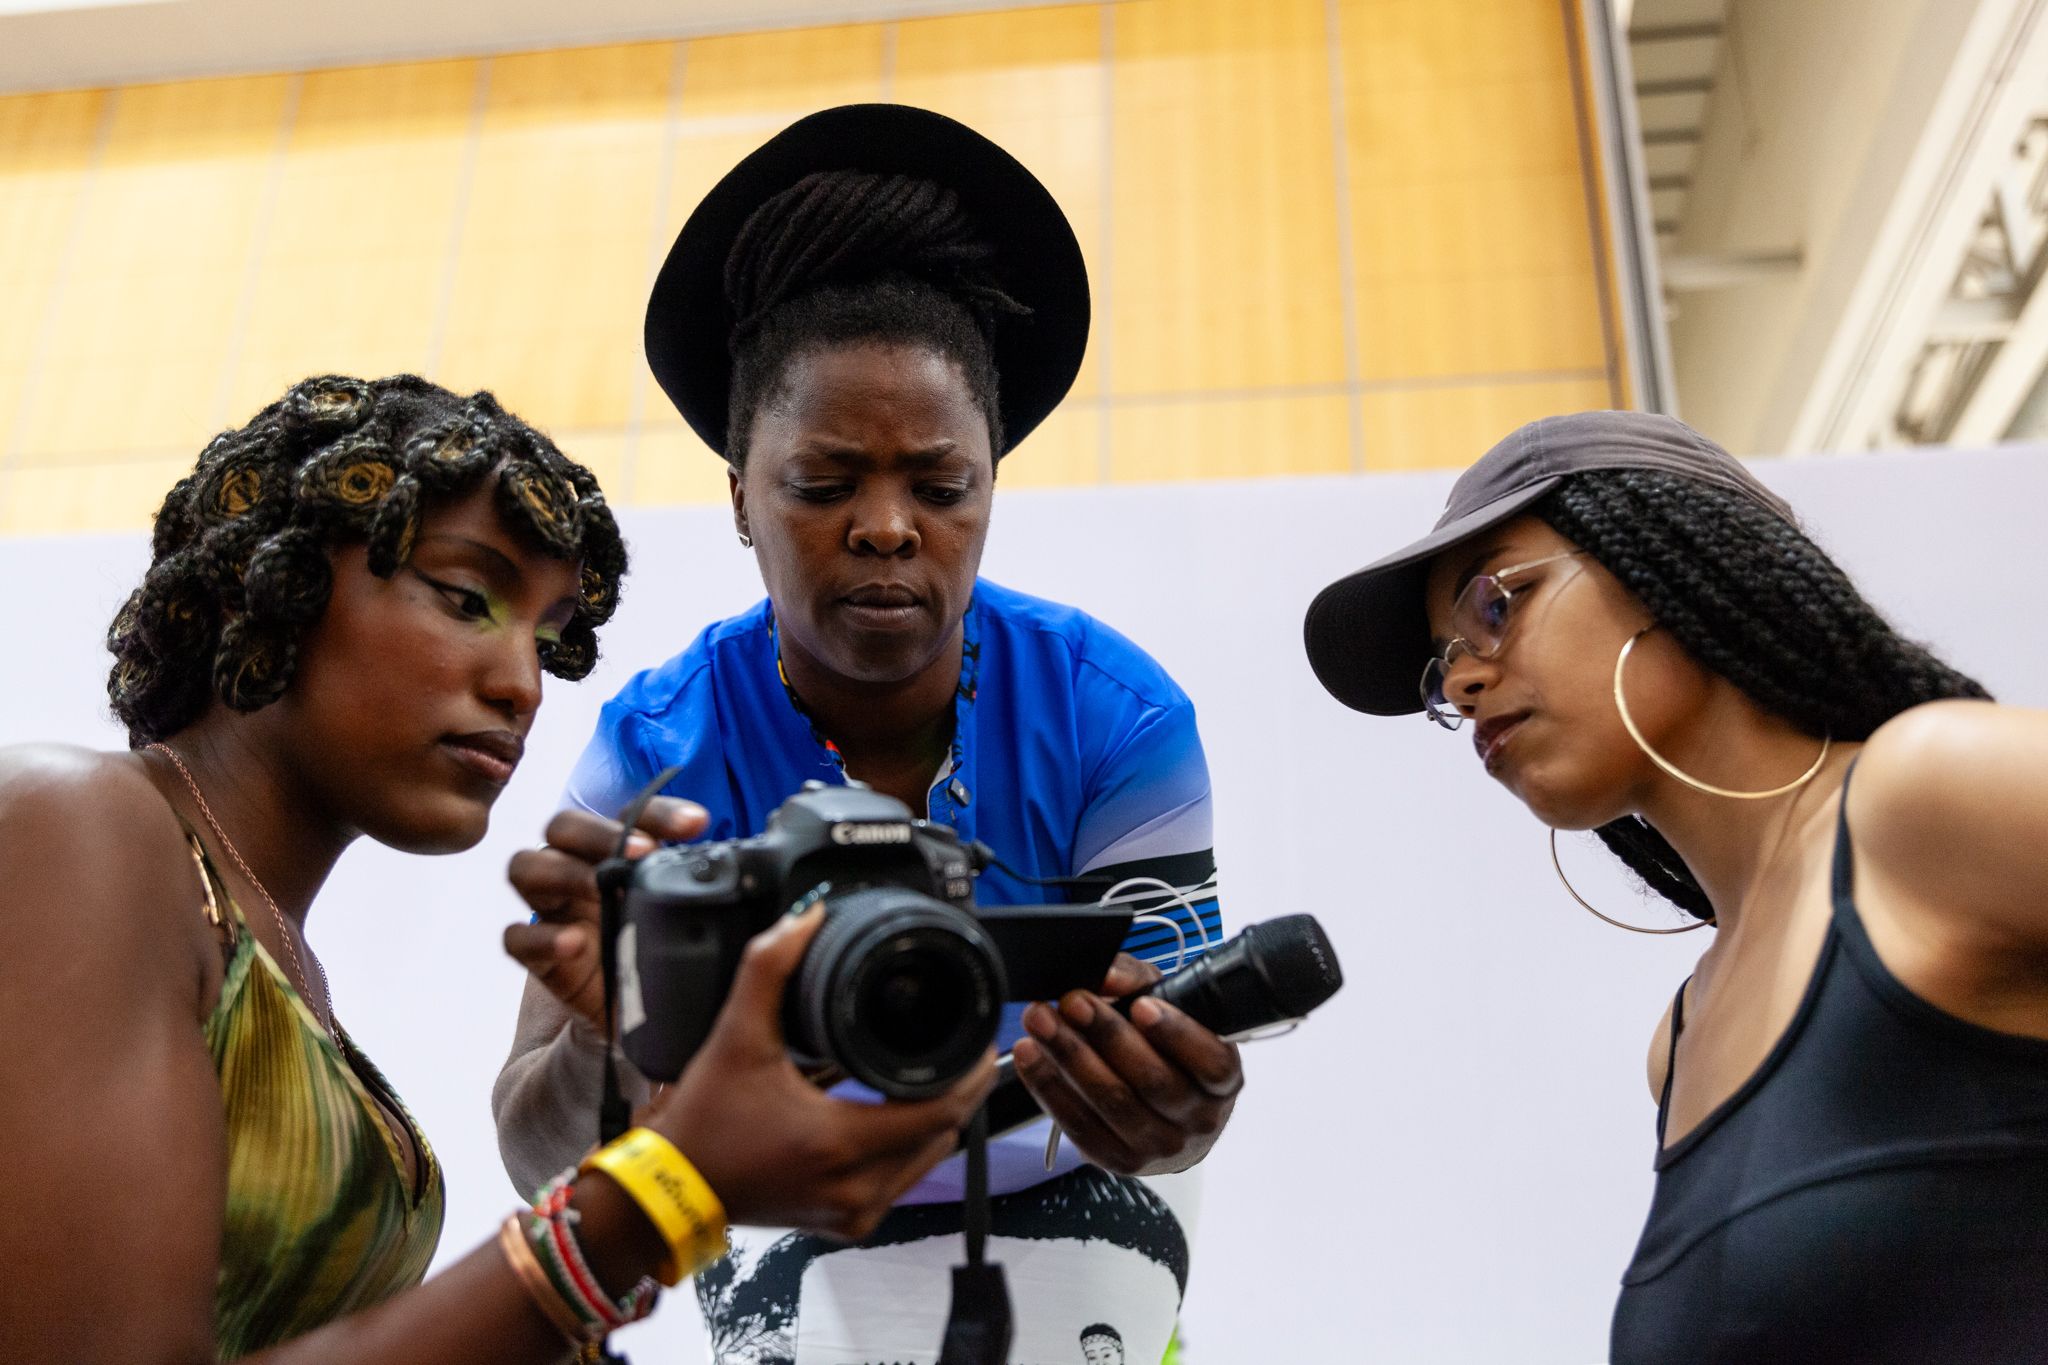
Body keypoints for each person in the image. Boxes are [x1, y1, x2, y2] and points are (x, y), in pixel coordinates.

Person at [0, 374, 991, 1364]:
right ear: (267, 584)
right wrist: (655, 1193)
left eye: (547, 638)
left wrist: (617, 1056)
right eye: (466, 598)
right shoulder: (80, 824)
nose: (520, 683)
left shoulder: (279, 961)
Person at [494, 104, 1243, 1365]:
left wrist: (1174, 1104)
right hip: (784, 1209)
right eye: (825, 485)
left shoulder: (1120, 717)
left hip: (1072, 1213)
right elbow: (537, 1153)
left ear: (990, 484)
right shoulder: (655, 752)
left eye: (939, 488)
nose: (889, 529)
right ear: (740, 497)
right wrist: (597, 1032)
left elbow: (1173, 1109)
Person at [1303, 409, 2048, 1362]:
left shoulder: (1923, 798)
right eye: (1441, 664)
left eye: (1496, 604)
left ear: (1671, 557)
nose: (1462, 683)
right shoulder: (1677, 1044)